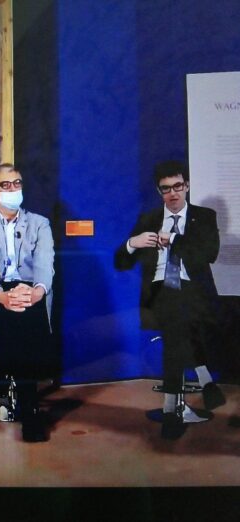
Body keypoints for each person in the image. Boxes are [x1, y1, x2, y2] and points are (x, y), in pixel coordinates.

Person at [115, 160, 225, 440]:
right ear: (159, 191)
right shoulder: (149, 219)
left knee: (178, 326)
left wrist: (173, 239)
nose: (173, 194)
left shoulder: (204, 216)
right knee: (177, 322)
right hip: (159, 293)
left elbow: (209, 254)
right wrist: (132, 244)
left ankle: (172, 407)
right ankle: (200, 386)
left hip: (194, 293)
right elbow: (120, 263)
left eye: (178, 186)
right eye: (166, 189)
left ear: (187, 186)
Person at [0, 163, 55, 442]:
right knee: (18, 323)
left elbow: (45, 264)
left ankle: (18, 399)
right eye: (6, 185)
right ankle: (29, 409)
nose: (14, 189)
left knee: (22, 321)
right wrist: (2, 296)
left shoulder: (39, 223)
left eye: (17, 183)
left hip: (30, 290)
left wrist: (36, 292)